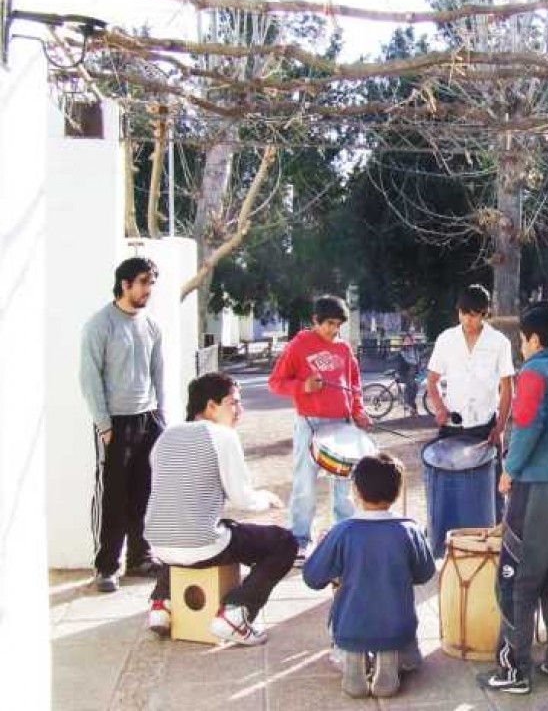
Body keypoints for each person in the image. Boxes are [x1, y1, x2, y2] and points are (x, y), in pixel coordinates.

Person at [479, 301, 548, 695]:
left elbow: (526, 426)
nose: (521, 347)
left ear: (535, 339)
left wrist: (509, 470)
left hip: (539, 487)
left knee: (517, 579)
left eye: (522, 340)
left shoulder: (534, 372)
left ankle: (514, 670)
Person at [144, 372, 296, 645]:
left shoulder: (165, 436)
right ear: (211, 406)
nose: (240, 410)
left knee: (188, 521)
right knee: (284, 543)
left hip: (159, 546)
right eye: (233, 403)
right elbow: (243, 500)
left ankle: (161, 603)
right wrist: (266, 499)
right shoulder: (222, 436)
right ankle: (236, 614)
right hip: (202, 545)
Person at [303, 453, 436, 699]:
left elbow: (312, 578)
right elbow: (425, 573)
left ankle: (353, 664)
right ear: (397, 493)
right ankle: (389, 663)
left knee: (350, 629)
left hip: (350, 628)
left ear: (356, 491)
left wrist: (323, 551)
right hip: (398, 627)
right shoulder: (409, 529)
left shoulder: (342, 532)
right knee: (404, 649)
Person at [79, 256, 166, 593]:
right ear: (125, 284)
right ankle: (107, 566)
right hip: (114, 422)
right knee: (113, 495)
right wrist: (103, 424)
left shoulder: (152, 325)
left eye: (152, 283)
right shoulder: (100, 324)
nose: (149, 289)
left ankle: (140, 557)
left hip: (148, 418)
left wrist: (162, 417)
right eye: (144, 282)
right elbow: (89, 378)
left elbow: (158, 373)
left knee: (143, 492)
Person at [269, 295, 371, 565]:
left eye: (338, 325)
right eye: (328, 324)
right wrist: (303, 387)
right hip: (310, 424)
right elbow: (276, 382)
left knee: (344, 487)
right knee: (305, 485)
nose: (333, 330)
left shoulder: (344, 348)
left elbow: (354, 382)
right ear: (315, 320)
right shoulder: (300, 344)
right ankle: (300, 540)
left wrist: (358, 409)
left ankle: (344, 537)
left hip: (343, 424)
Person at [426, 284, 515, 521]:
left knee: (493, 491)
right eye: (463, 313)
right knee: (448, 486)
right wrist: (440, 408)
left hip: (486, 426)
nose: (467, 319)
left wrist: (501, 427)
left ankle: (495, 542)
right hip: (452, 426)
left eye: (473, 314)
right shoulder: (446, 339)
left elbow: (507, 387)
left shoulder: (499, 342)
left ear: (484, 313)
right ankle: (447, 543)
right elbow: (432, 380)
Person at [393, 333, 421, 415]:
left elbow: (417, 361)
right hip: (403, 373)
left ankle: (410, 405)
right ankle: (412, 407)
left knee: (415, 387)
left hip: (413, 373)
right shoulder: (402, 350)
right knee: (411, 386)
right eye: (406, 340)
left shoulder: (415, 350)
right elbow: (405, 362)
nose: (408, 342)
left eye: (409, 340)